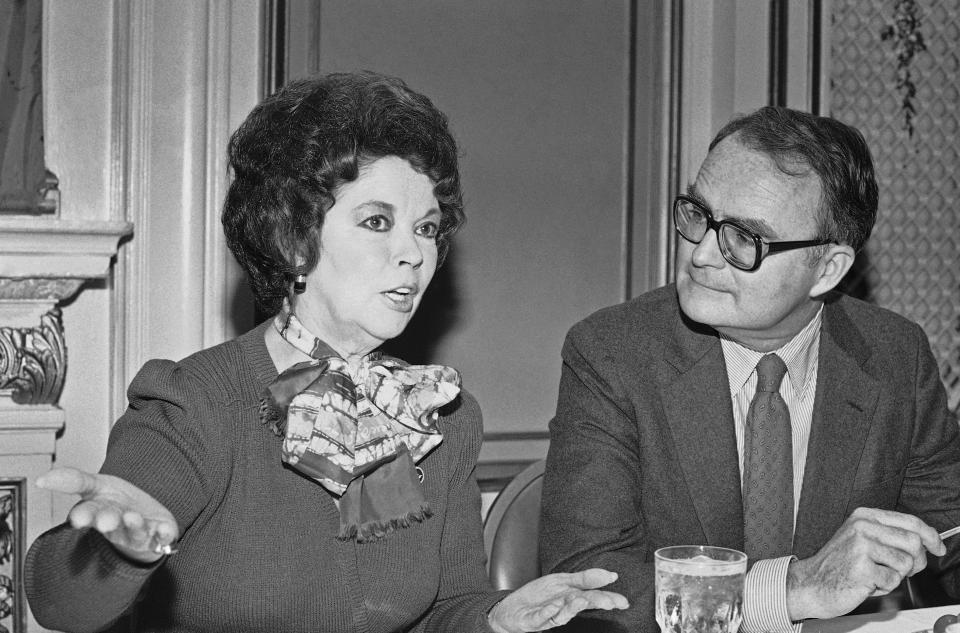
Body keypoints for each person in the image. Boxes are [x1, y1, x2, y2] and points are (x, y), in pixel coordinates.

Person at [24, 71, 627, 633]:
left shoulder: (440, 416)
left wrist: (494, 618)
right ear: (292, 238)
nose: (414, 254)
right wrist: (116, 550)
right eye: (376, 222)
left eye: (425, 227)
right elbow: (58, 602)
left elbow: (441, 611)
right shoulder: (196, 402)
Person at [539, 105, 960, 633]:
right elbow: (585, 583)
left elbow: (951, 542)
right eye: (699, 215)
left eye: (746, 239)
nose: (702, 255)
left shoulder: (897, 355)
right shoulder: (611, 354)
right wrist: (795, 589)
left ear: (827, 268)